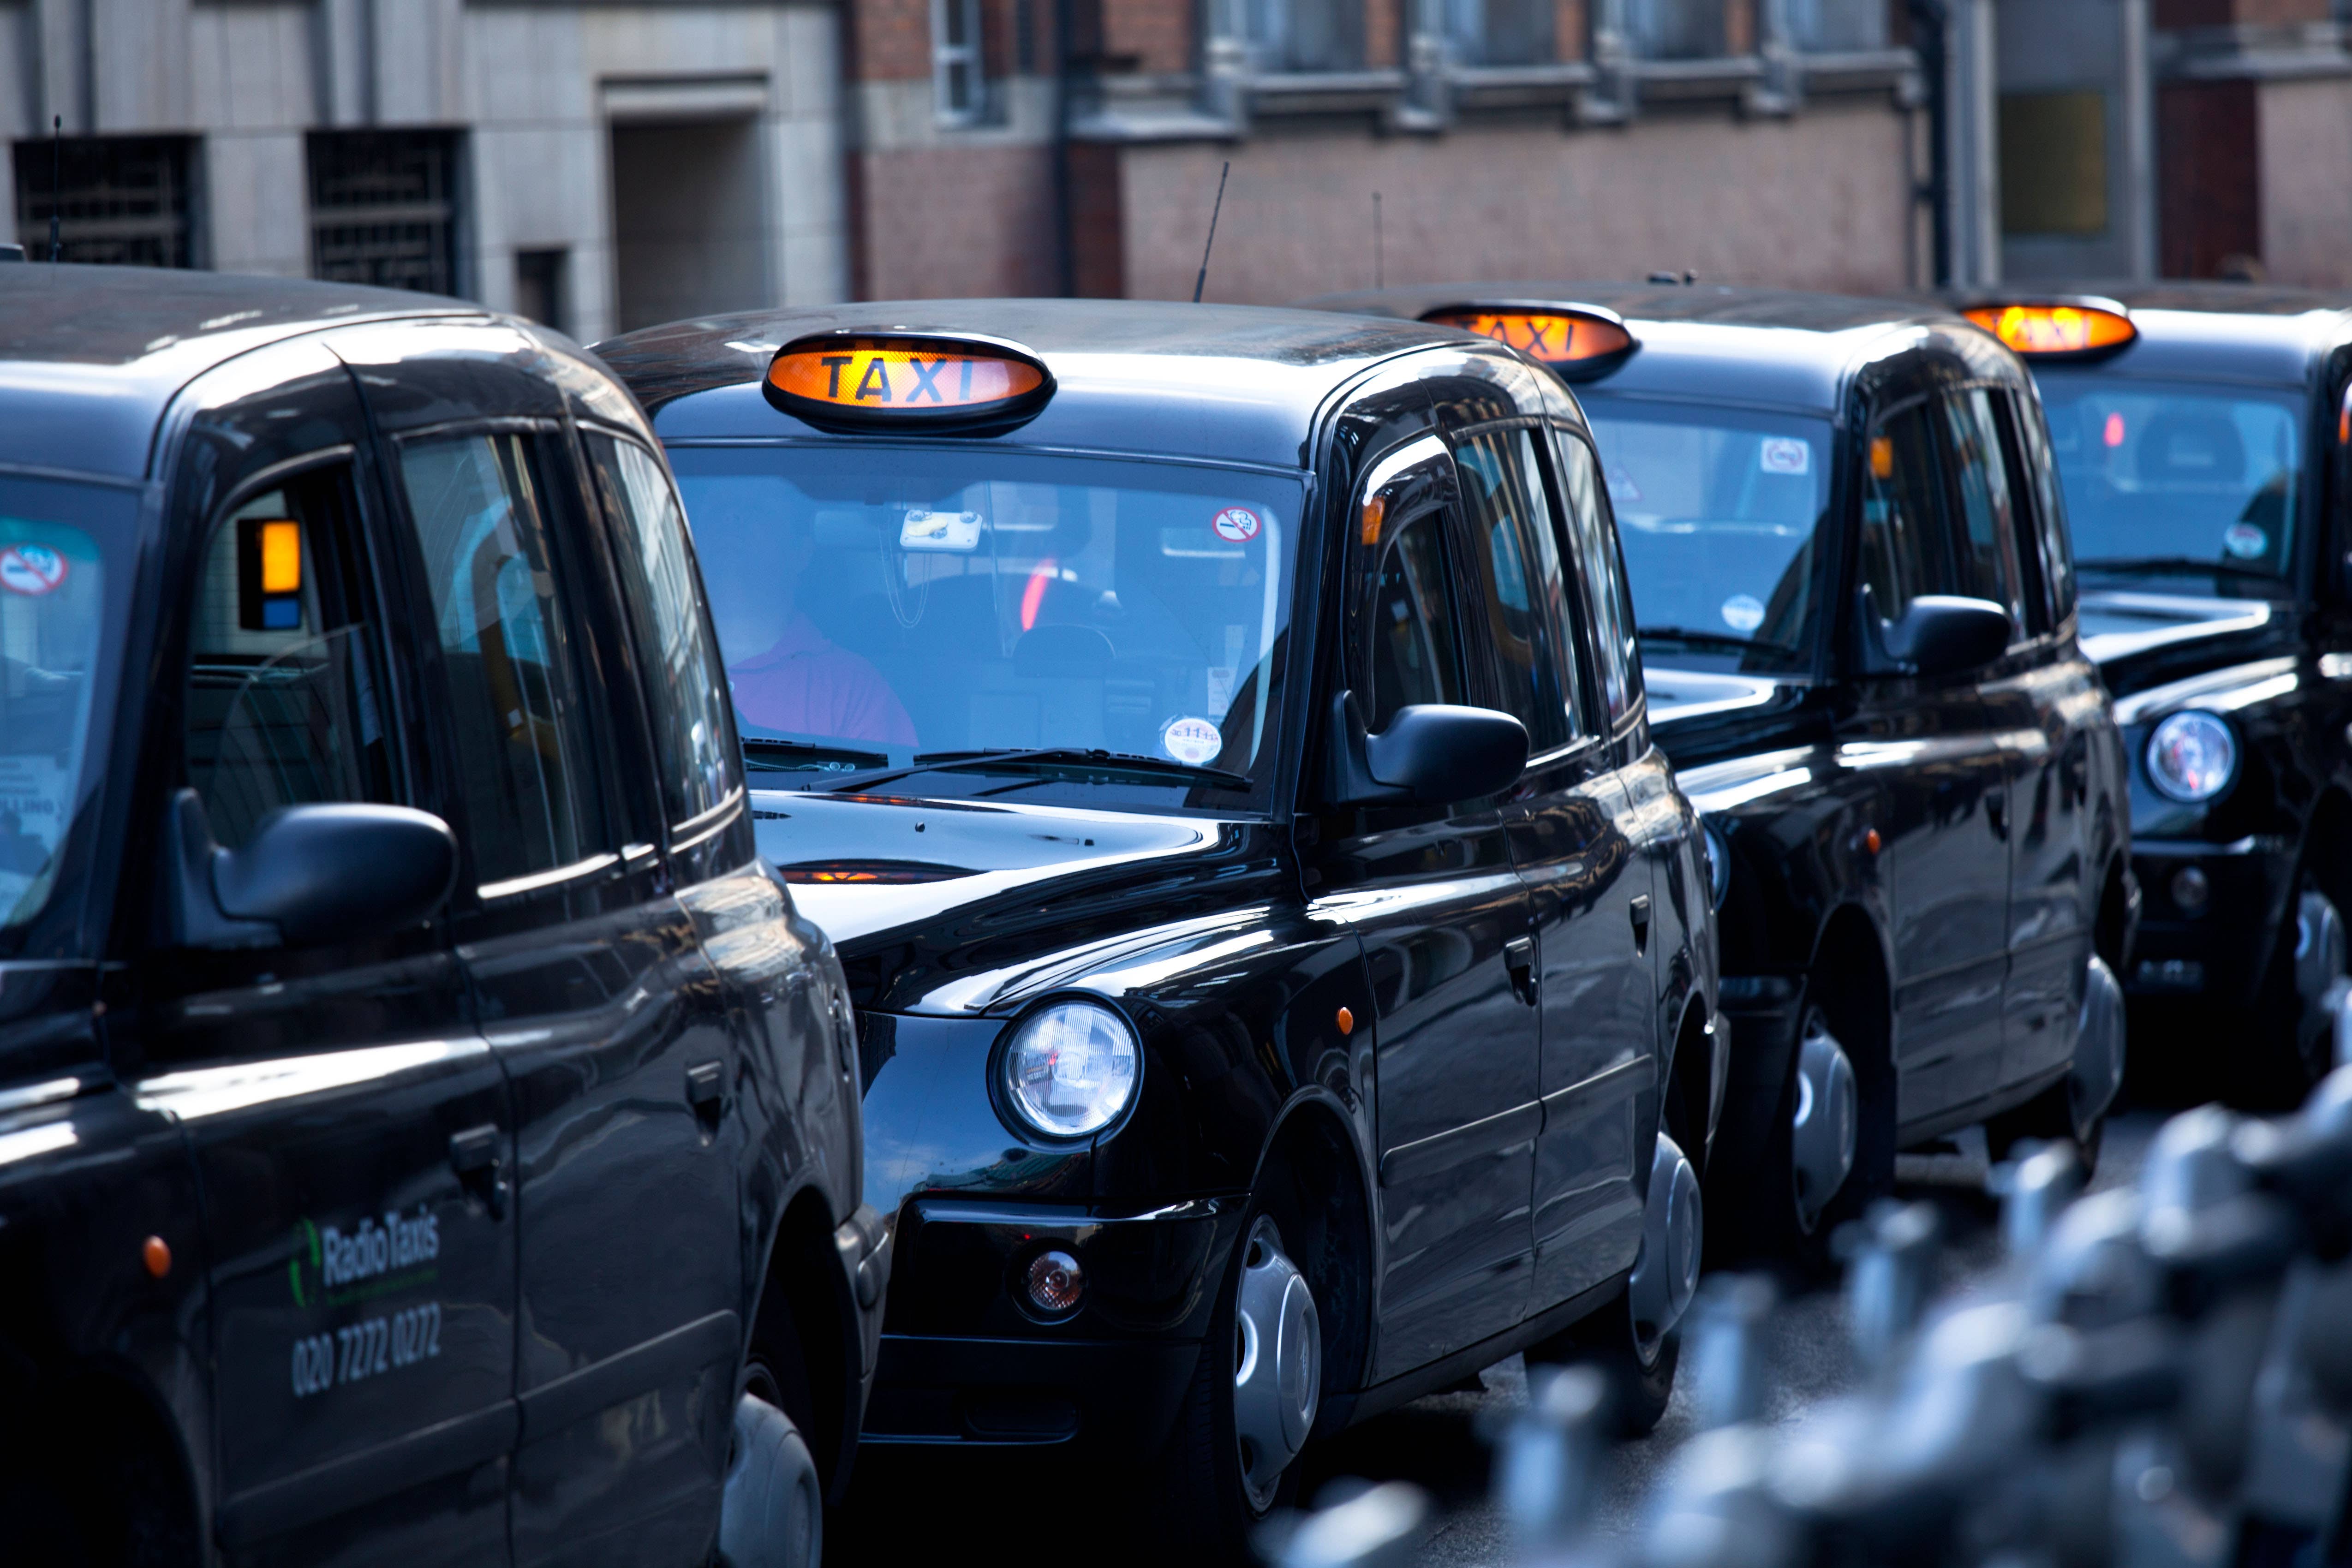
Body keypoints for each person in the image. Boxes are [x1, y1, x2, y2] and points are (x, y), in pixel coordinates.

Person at [702, 514, 917, 747]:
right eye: (718, 511)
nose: (731, 525)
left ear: (802, 552)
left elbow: (890, 781)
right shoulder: (660, 668)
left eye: (753, 510)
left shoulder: (853, 690)